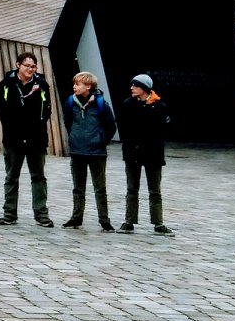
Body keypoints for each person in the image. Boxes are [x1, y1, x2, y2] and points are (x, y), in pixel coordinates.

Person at [0, 52, 54, 227]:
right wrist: (13, 131)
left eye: (33, 66)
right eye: (27, 65)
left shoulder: (42, 85)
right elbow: (2, 111)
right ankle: (9, 214)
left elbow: (46, 111)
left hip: (37, 140)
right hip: (13, 140)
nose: (30, 69)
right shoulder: (6, 84)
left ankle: (41, 215)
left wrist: (35, 130)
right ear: (18, 65)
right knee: (12, 177)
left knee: (38, 177)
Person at [120, 73, 174, 235]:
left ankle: (158, 223)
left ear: (144, 88)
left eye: (135, 85)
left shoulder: (159, 106)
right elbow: (124, 129)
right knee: (131, 189)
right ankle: (129, 221)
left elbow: (164, 129)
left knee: (155, 190)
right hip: (133, 153)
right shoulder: (127, 105)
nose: (132, 88)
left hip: (153, 154)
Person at [62, 71, 116, 231]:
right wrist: (74, 137)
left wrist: (100, 141)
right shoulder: (71, 102)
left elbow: (111, 126)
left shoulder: (101, 104)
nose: (74, 87)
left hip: (96, 152)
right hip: (77, 151)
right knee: (78, 187)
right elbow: (68, 121)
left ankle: (104, 219)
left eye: (77, 84)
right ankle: (76, 217)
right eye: (74, 83)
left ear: (88, 86)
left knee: (100, 188)